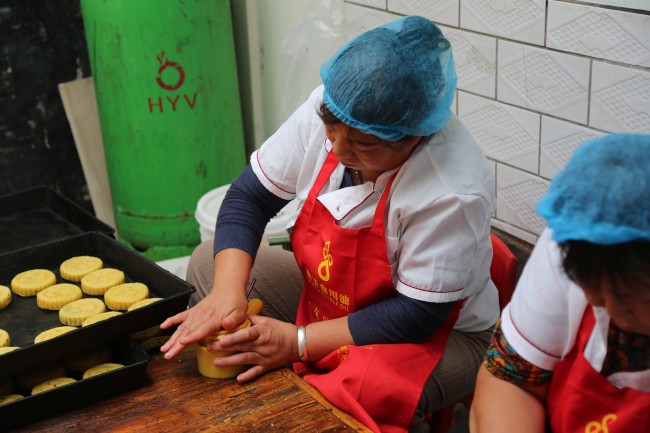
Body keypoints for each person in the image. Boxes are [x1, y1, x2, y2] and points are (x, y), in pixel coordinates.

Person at [161, 15, 500, 433]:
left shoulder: (451, 189)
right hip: (333, 303)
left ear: (413, 137)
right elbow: (248, 198)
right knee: (207, 266)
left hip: (435, 334)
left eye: (362, 144)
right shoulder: (337, 107)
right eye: (332, 130)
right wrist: (227, 295)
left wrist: (296, 342)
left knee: (360, 391)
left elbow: (417, 315)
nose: (337, 149)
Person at [470, 133, 650, 433]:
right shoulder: (579, 236)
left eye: (635, 303)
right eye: (600, 300)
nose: (615, 314)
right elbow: (510, 379)